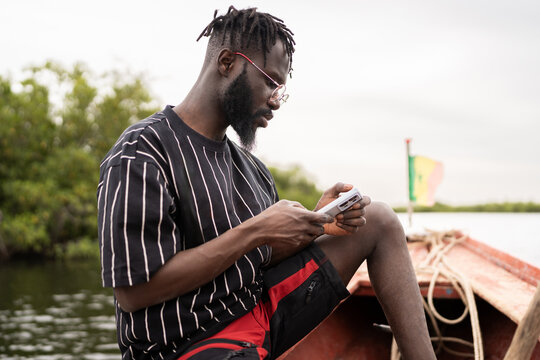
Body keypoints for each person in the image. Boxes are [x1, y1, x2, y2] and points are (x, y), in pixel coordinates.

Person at [97, 6, 436, 360]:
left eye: (282, 89)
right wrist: (256, 230)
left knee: (379, 220)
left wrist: (316, 226)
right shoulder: (143, 151)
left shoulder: (252, 169)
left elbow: (260, 257)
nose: (276, 99)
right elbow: (133, 293)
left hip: (259, 314)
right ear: (227, 63)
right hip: (186, 344)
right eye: (270, 81)